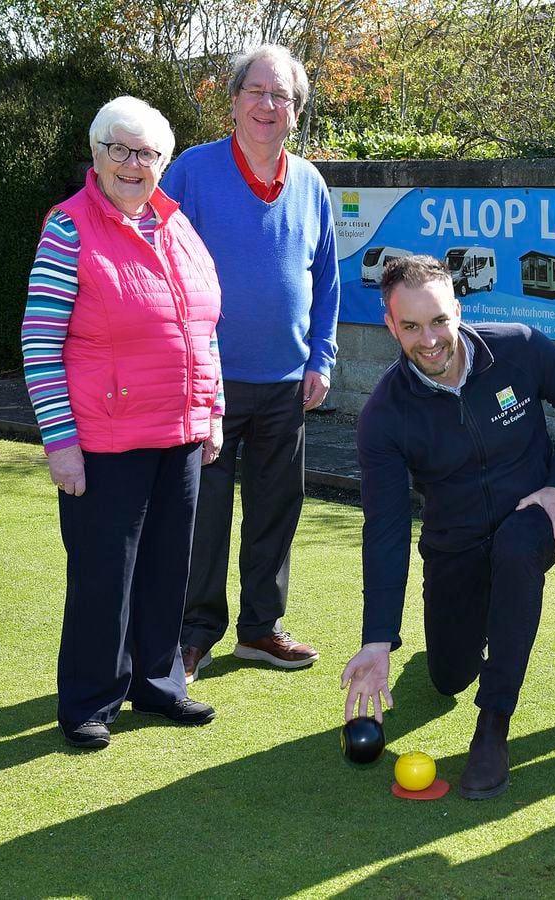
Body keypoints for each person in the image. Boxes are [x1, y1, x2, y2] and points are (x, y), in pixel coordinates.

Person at [341, 255, 555, 799]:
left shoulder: (516, 348)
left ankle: (493, 726)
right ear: (390, 326)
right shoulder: (385, 416)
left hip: (531, 517)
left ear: (458, 309)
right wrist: (377, 637)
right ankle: (474, 628)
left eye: (438, 320)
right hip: (453, 544)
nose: (429, 339)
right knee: (447, 678)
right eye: (410, 326)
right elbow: (386, 528)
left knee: (513, 552)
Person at [21, 96, 223, 749]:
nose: (135, 164)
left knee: (168, 567)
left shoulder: (178, 225)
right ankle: (89, 699)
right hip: (104, 441)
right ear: (98, 153)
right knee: (104, 575)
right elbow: (40, 342)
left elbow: (204, 328)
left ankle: (159, 684)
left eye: (148, 153)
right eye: (121, 149)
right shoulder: (69, 228)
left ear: (164, 161)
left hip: (181, 432)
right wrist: (61, 443)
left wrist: (212, 411)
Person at [161, 44, 341, 681]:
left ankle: (260, 630)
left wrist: (322, 356)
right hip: (208, 384)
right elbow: (160, 262)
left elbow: (326, 279)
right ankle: (195, 632)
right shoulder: (192, 171)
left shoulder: (313, 183)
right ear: (234, 100)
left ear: (297, 111)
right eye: (257, 92)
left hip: (287, 384)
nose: (269, 105)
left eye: (282, 95)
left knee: (275, 511)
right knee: (203, 516)